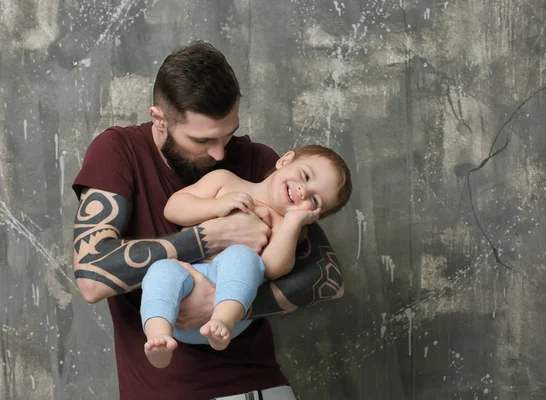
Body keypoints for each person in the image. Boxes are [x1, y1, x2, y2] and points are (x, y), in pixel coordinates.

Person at [72, 40, 346, 400]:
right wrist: (207, 238)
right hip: (166, 390)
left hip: (259, 388)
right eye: (203, 140)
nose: (220, 153)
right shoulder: (119, 152)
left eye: (227, 135)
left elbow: (327, 279)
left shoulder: (261, 163)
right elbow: (91, 277)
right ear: (159, 120)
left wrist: (226, 305)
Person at [142, 144, 352, 368]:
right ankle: (159, 338)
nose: (303, 191)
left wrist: (293, 222)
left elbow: (271, 268)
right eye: (305, 175)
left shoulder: (287, 226)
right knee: (162, 269)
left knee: (241, 256)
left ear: (313, 216)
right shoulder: (225, 181)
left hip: (229, 307)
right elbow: (173, 208)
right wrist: (215, 206)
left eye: (315, 200)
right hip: (181, 288)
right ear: (286, 160)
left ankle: (221, 321)